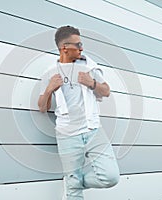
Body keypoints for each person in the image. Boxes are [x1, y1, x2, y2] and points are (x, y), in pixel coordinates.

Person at [38, 25, 120, 200]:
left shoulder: (89, 66)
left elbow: (106, 91)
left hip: (93, 130)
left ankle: (73, 182)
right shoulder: (49, 74)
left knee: (110, 177)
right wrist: (49, 90)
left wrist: (92, 83)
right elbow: (42, 107)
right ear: (64, 48)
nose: (82, 48)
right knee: (74, 194)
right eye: (78, 44)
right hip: (67, 135)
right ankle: (72, 184)